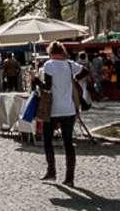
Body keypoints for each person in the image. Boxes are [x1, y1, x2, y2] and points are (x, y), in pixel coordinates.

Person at [37, 41, 86, 185]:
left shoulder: (49, 65)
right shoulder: (70, 64)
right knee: (68, 142)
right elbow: (85, 71)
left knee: (48, 141)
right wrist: (73, 80)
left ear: (51, 52)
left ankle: (51, 171)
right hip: (69, 109)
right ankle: (69, 178)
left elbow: (47, 86)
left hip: (52, 109)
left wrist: (36, 80)